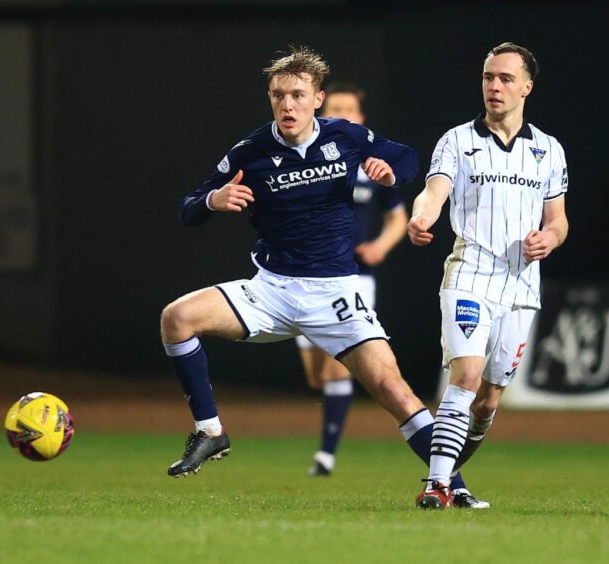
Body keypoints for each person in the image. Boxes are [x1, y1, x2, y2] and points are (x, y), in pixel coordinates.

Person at [160, 47, 487, 508]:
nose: (287, 105)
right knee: (176, 319)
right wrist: (213, 200)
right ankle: (210, 431)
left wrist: (391, 172)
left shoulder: (347, 137)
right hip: (269, 290)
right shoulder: (250, 152)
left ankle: (453, 487)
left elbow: (409, 157)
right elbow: (186, 208)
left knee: (393, 389)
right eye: (278, 95)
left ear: (318, 99)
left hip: (336, 294)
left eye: (297, 95)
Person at [408, 42, 569, 509]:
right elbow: (433, 191)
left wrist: (551, 239)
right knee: (467, 375)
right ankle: (436, 485)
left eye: (504, 78)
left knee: (489, 400)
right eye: (487, 77)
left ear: (527, 87)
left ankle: (454, 475)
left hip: (521, 288)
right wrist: (422, 217)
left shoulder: (549, 151)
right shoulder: (457, 141)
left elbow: (558, 219)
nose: (494, 86)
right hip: (469, 275)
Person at [296, 82, 408, 478]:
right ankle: (329, 441)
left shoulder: (370, 162)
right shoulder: (303, 158)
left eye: (350, 110)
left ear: (361, 119)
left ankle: (325, 457)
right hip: (303, 278)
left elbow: (399, 216)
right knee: (316, 375)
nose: (342, 116)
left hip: (355, 278)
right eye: (335, 108)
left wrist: (380, 245)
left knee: (335, 368)